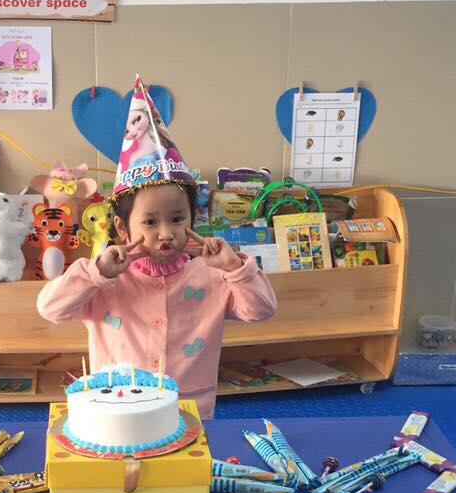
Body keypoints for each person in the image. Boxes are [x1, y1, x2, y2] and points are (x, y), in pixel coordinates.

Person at [37, 77, 277, 417]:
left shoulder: (212, 275)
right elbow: (50, 309)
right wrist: (95, 274)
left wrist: (234, 268)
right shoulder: (104, 280)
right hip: (116, 414)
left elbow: (261, 311)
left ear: (193, 218)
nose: (166, 233)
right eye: (150, 222)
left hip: (189, 412)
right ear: (123, 227)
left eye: (178, 218)